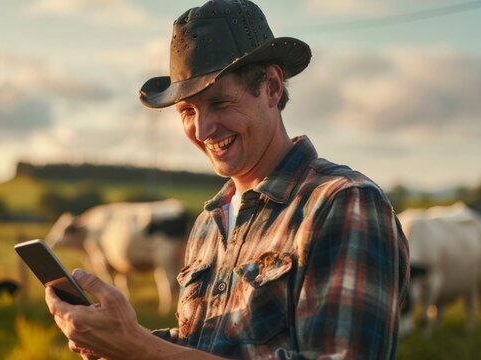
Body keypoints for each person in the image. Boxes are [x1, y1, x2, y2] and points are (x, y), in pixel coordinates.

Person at [45, 0, 410, 359]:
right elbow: (210, 345)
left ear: (271, 87)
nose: (202, 130)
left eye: (219, 103)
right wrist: (117, 341)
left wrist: (140, 349)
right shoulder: (209, 222)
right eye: (187, 110)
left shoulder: (344, 205)